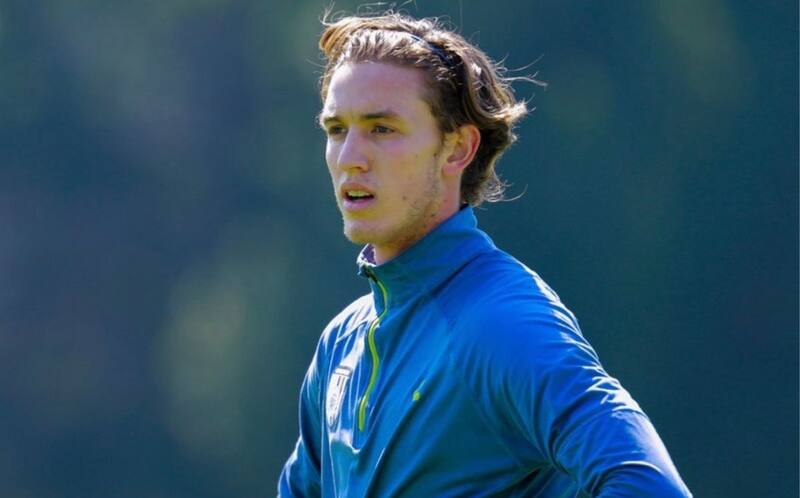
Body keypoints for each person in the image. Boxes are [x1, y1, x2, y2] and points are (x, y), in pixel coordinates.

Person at [279, 12, 692, 498]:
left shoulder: (502, 324)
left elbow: (649, 486)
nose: (350, 156)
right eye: (336, 129)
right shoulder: (339, 344)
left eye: (382, 129)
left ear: (458, 149)